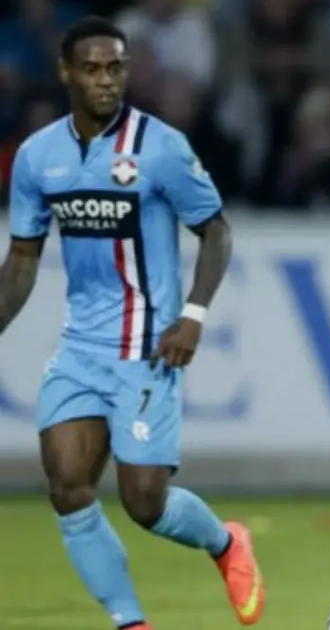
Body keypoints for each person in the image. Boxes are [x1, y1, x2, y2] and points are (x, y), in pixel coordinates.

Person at [0, 17, 264, 630]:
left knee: (144, 502)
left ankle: (226, 542)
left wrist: (193, 314)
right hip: (79, 349)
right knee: (67, 488)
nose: (106, 81)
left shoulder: (160, 146)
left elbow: (216, 231)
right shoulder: (38, 156)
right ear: (66, 73)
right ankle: (131, 623)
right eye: (92, 69)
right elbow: (21, 262)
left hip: (148, 348)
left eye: (115, 68)